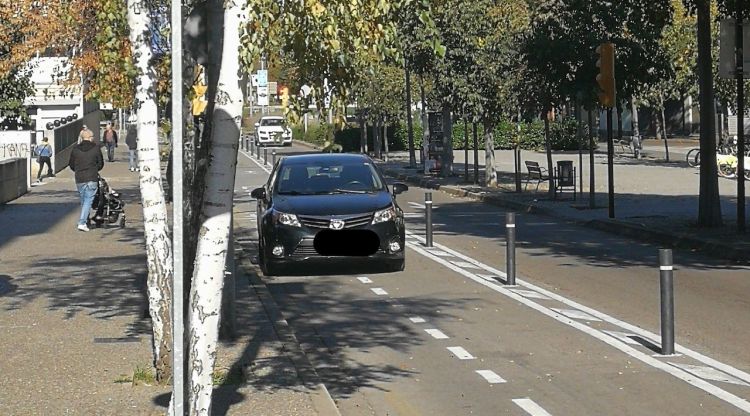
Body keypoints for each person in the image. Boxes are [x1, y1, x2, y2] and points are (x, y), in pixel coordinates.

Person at [69, 130, 104, 232]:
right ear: (90, 137)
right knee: (88, 200)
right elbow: (100, 163)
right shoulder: (96, 148)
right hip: (91, 177)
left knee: (84, 200)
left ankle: (86, 220)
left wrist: (78, 169)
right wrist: (95, 168)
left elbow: (71, 164)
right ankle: (82, 222)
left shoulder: (75, 149)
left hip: (79, 177)